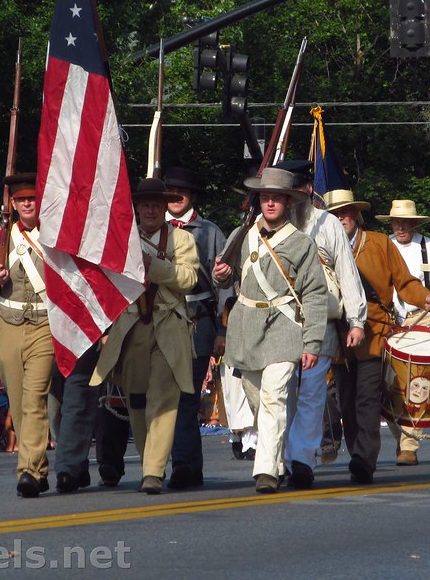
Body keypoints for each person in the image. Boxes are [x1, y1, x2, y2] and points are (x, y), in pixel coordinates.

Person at [213, 167, 328, 494]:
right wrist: (220, 273)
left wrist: (313, 341)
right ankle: (276, 462)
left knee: (275, 399)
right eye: (266, 197)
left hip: (284, 328)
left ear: (288, 203)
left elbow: (316, 295)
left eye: (277, 198)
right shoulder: (242, 235)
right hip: (246, 329)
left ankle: (264, 471)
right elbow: (223, 277)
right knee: (259, 405)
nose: (271, 203)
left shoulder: (301, 243)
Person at [324, 188, 430, 484]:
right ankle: (356, 455)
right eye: (336, 214)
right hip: (338, 337)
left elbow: (405, 282)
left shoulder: (379, 244)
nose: (342, 218)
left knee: (367, 401)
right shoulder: (319, 247)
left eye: (347, 212)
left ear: (356, 214)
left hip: (374, 334)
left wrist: (425, 298)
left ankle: (364, 460)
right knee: (346, 402)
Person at [92, 177, 199, 495]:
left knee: (164, 401)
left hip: (168, 324)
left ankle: (152, 472)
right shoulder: (122, 241)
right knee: (137, 400)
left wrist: (154, 267)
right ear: (136, 208)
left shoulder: (182, 240)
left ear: (165, 208)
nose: (151, 210)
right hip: (130, 325)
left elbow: (189, 279)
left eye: (156, 204)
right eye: (145, 204)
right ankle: (150, 463)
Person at [277, 160, 366, 488]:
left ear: (308, 190)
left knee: (313, 393)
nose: (292, 198)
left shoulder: (327, 224)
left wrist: (356, 320)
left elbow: (346, 272)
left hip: (322, 320)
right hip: (278, 320)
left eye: (296, 191)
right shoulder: (266, 224)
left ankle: (301, 461)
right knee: (279, 392)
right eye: (287, 193)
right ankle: (278, 458)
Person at [0, 172, 60, 498]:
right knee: (17, 401)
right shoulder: (2, 240)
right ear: (12, 203)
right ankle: (38, 468)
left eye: (33, 199)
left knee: (35, 396)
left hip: (44, 324)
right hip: (8, 324)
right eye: (22, 199)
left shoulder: (54, 237)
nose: (28, 203)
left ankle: (26, 469)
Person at [163, 165, 234, 490]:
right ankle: (178, 465)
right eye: (170, 191)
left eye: (181, 191)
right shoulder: (152, 230)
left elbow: (225, 285)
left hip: (197, 320)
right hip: (160, 321)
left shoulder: (210, 231)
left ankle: (185, 466)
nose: (175, 196)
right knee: (165, 395)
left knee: (187, 395)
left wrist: (222, 331)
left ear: (191, 196)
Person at [378, 199, 430, 466]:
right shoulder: (383, 246)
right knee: (387, 386)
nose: (401, 226)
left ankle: (409, 445)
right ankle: (402, 437)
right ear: (390, 223)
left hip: (423, 319)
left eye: (405, 222)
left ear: (415, 223)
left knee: (415, 383)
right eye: (396, 221)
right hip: (389, 320)